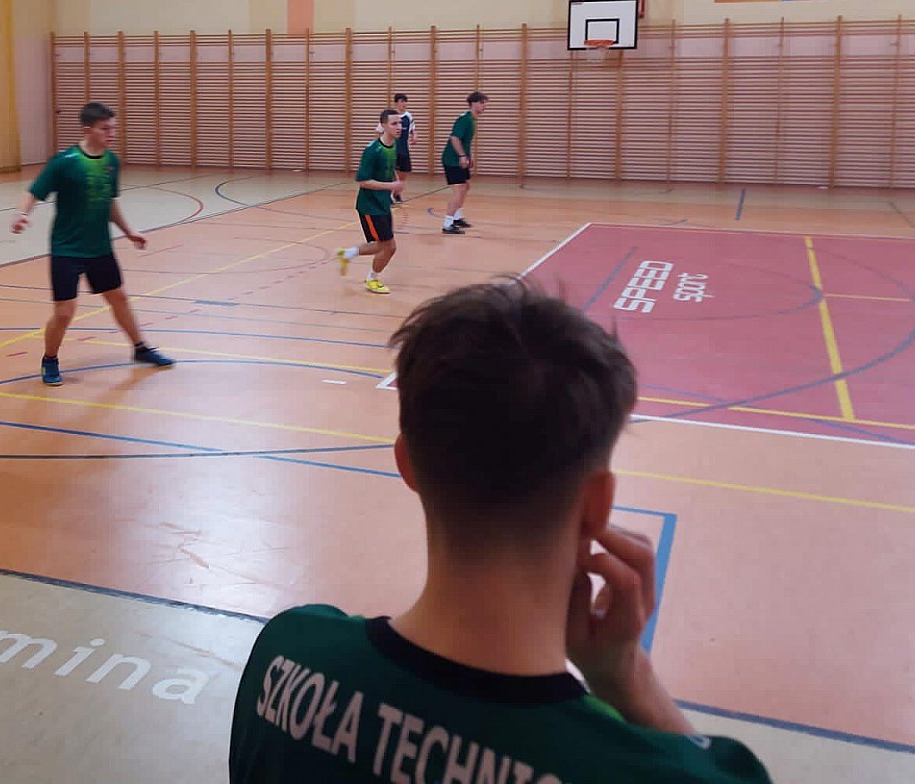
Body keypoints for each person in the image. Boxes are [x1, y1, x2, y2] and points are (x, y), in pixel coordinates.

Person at [228, 280, 772, 784]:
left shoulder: (286, 655)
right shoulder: (656, 773)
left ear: (407, 463)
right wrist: (626, 677)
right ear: (596, 506)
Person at [11, 102, 175, 387]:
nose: (111, 134)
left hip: (99, 248)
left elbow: (109, 203)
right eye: (105, 129)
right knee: (64, 312)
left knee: (118, 298)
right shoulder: (65, 162)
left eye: (113, 128)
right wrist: (23, 214)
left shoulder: (112, 162)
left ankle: (140, 348)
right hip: (66, 249)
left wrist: (128, 231)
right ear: (87, 130)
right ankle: (50, 359)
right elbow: (33, 192)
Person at [337, 109, 403, 295]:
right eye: (394, 123)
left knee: (384, 245)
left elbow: (390, 168)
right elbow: (363, 181)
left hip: (383, 204)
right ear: (383, 126)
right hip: (370, 206)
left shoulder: (393, 146)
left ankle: (347, 254)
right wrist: (391, 186)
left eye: (400, 123)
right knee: (389, 246)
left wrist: (396, 182)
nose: (399, 127)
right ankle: (371, 279)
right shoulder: (373, 150)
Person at [440, 91, 487, 235]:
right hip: (452, 160)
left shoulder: (473, 120)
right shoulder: (464, 119)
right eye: (481, 103)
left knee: (466, 186)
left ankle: (457, 217)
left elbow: (465, 141)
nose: (484, 106)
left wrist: (469, 156)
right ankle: (448, 224)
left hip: (460, 159)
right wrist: (461, 156)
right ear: (473, 103)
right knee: (459, 189)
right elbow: (454, 138)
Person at [390, 94, 417, 200]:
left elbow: (413, 130)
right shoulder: (390, 116)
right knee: (391, 172)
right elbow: (379, 131)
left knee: (405, 171)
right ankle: (389, 195)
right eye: (401, 101)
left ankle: (396, 192)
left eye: (405, 101)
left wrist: (414, 136)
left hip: (404, 148)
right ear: (396, 103)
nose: (404, 104)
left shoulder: (408, 116)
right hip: (391, 149)